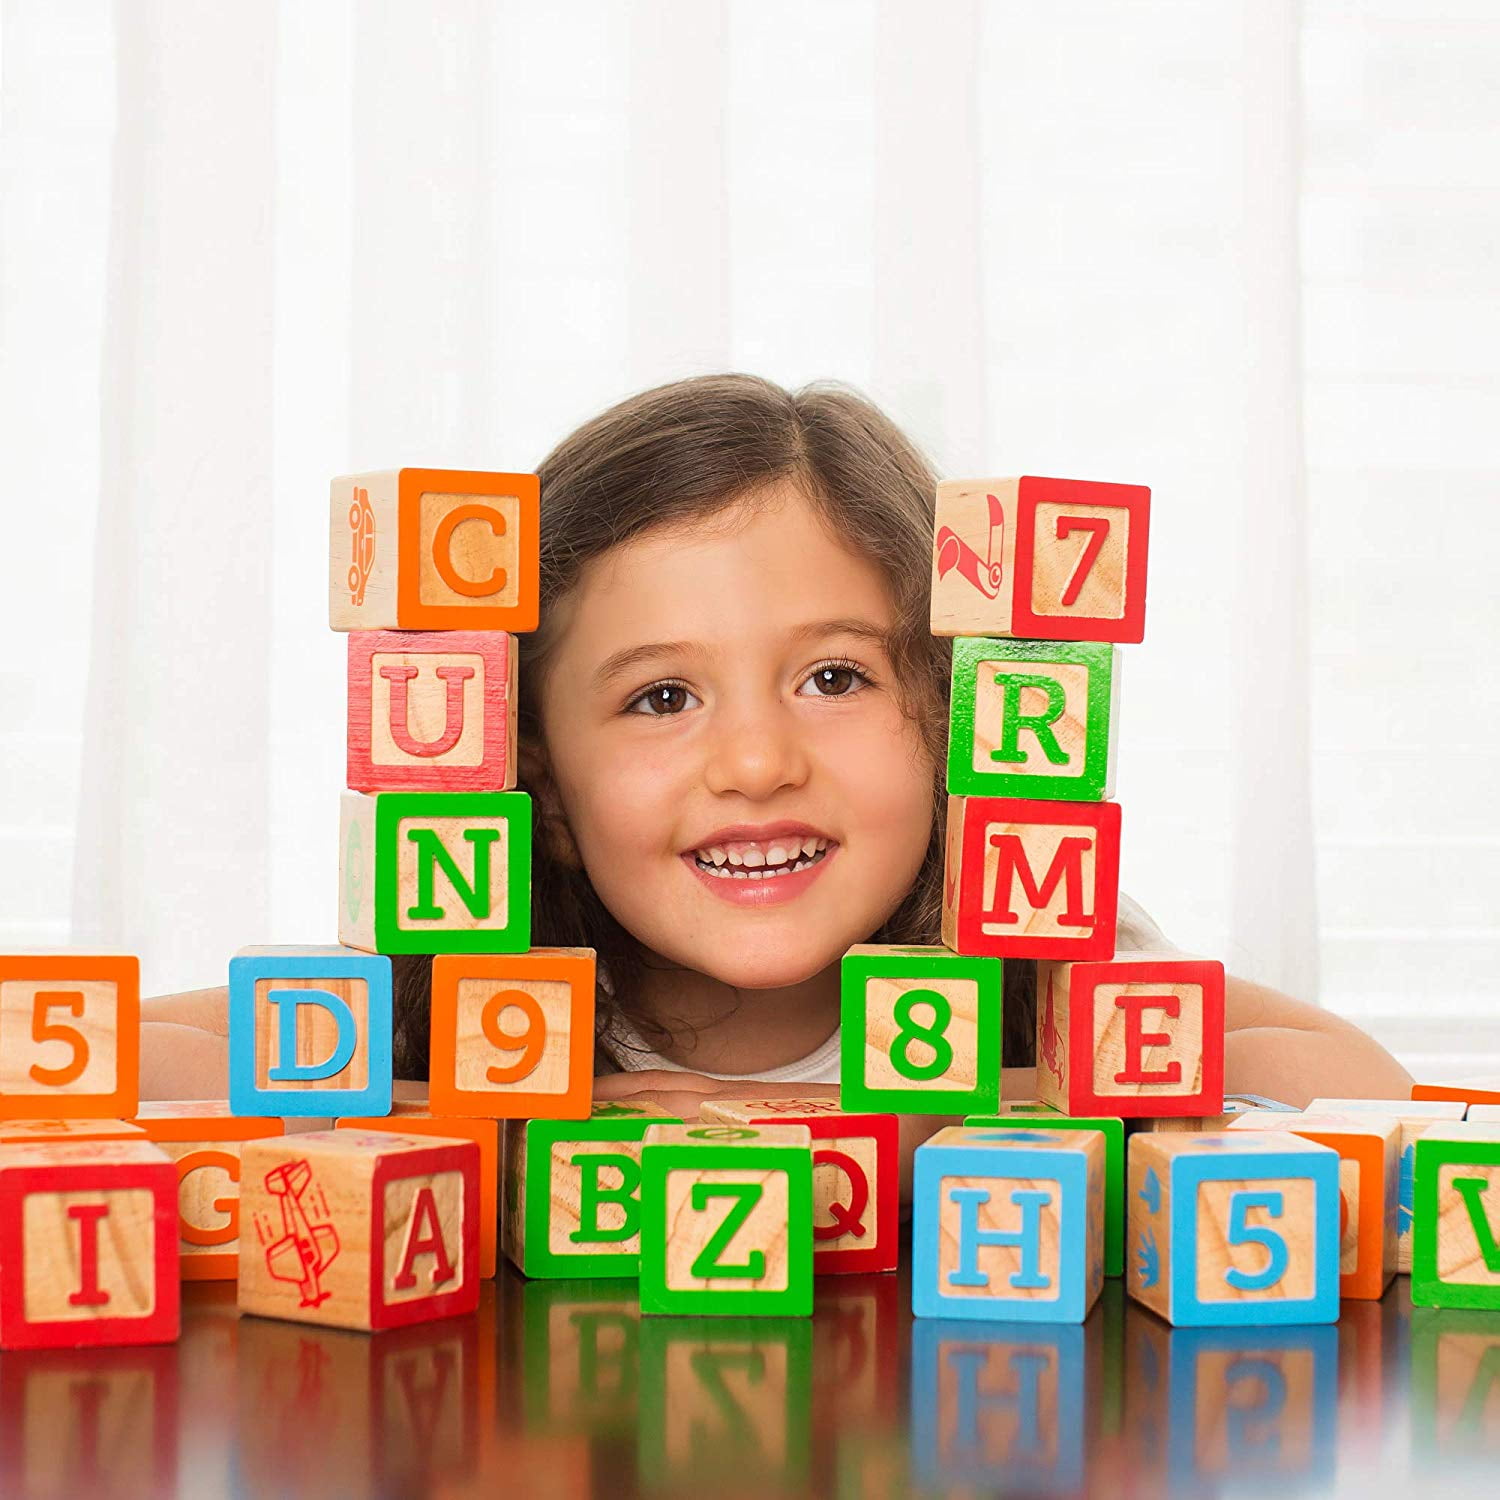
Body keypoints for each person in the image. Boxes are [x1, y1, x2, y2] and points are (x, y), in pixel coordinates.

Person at [140, 374, 1412, 1176]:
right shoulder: (458, 992)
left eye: (837, 678)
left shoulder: (1047, 976)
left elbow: (1371, 1091)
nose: (755, 763)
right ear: (530, 782)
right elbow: (93, 1058)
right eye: (663, 698)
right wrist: (510, 1115)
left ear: (968, 713)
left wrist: (968, 1109)